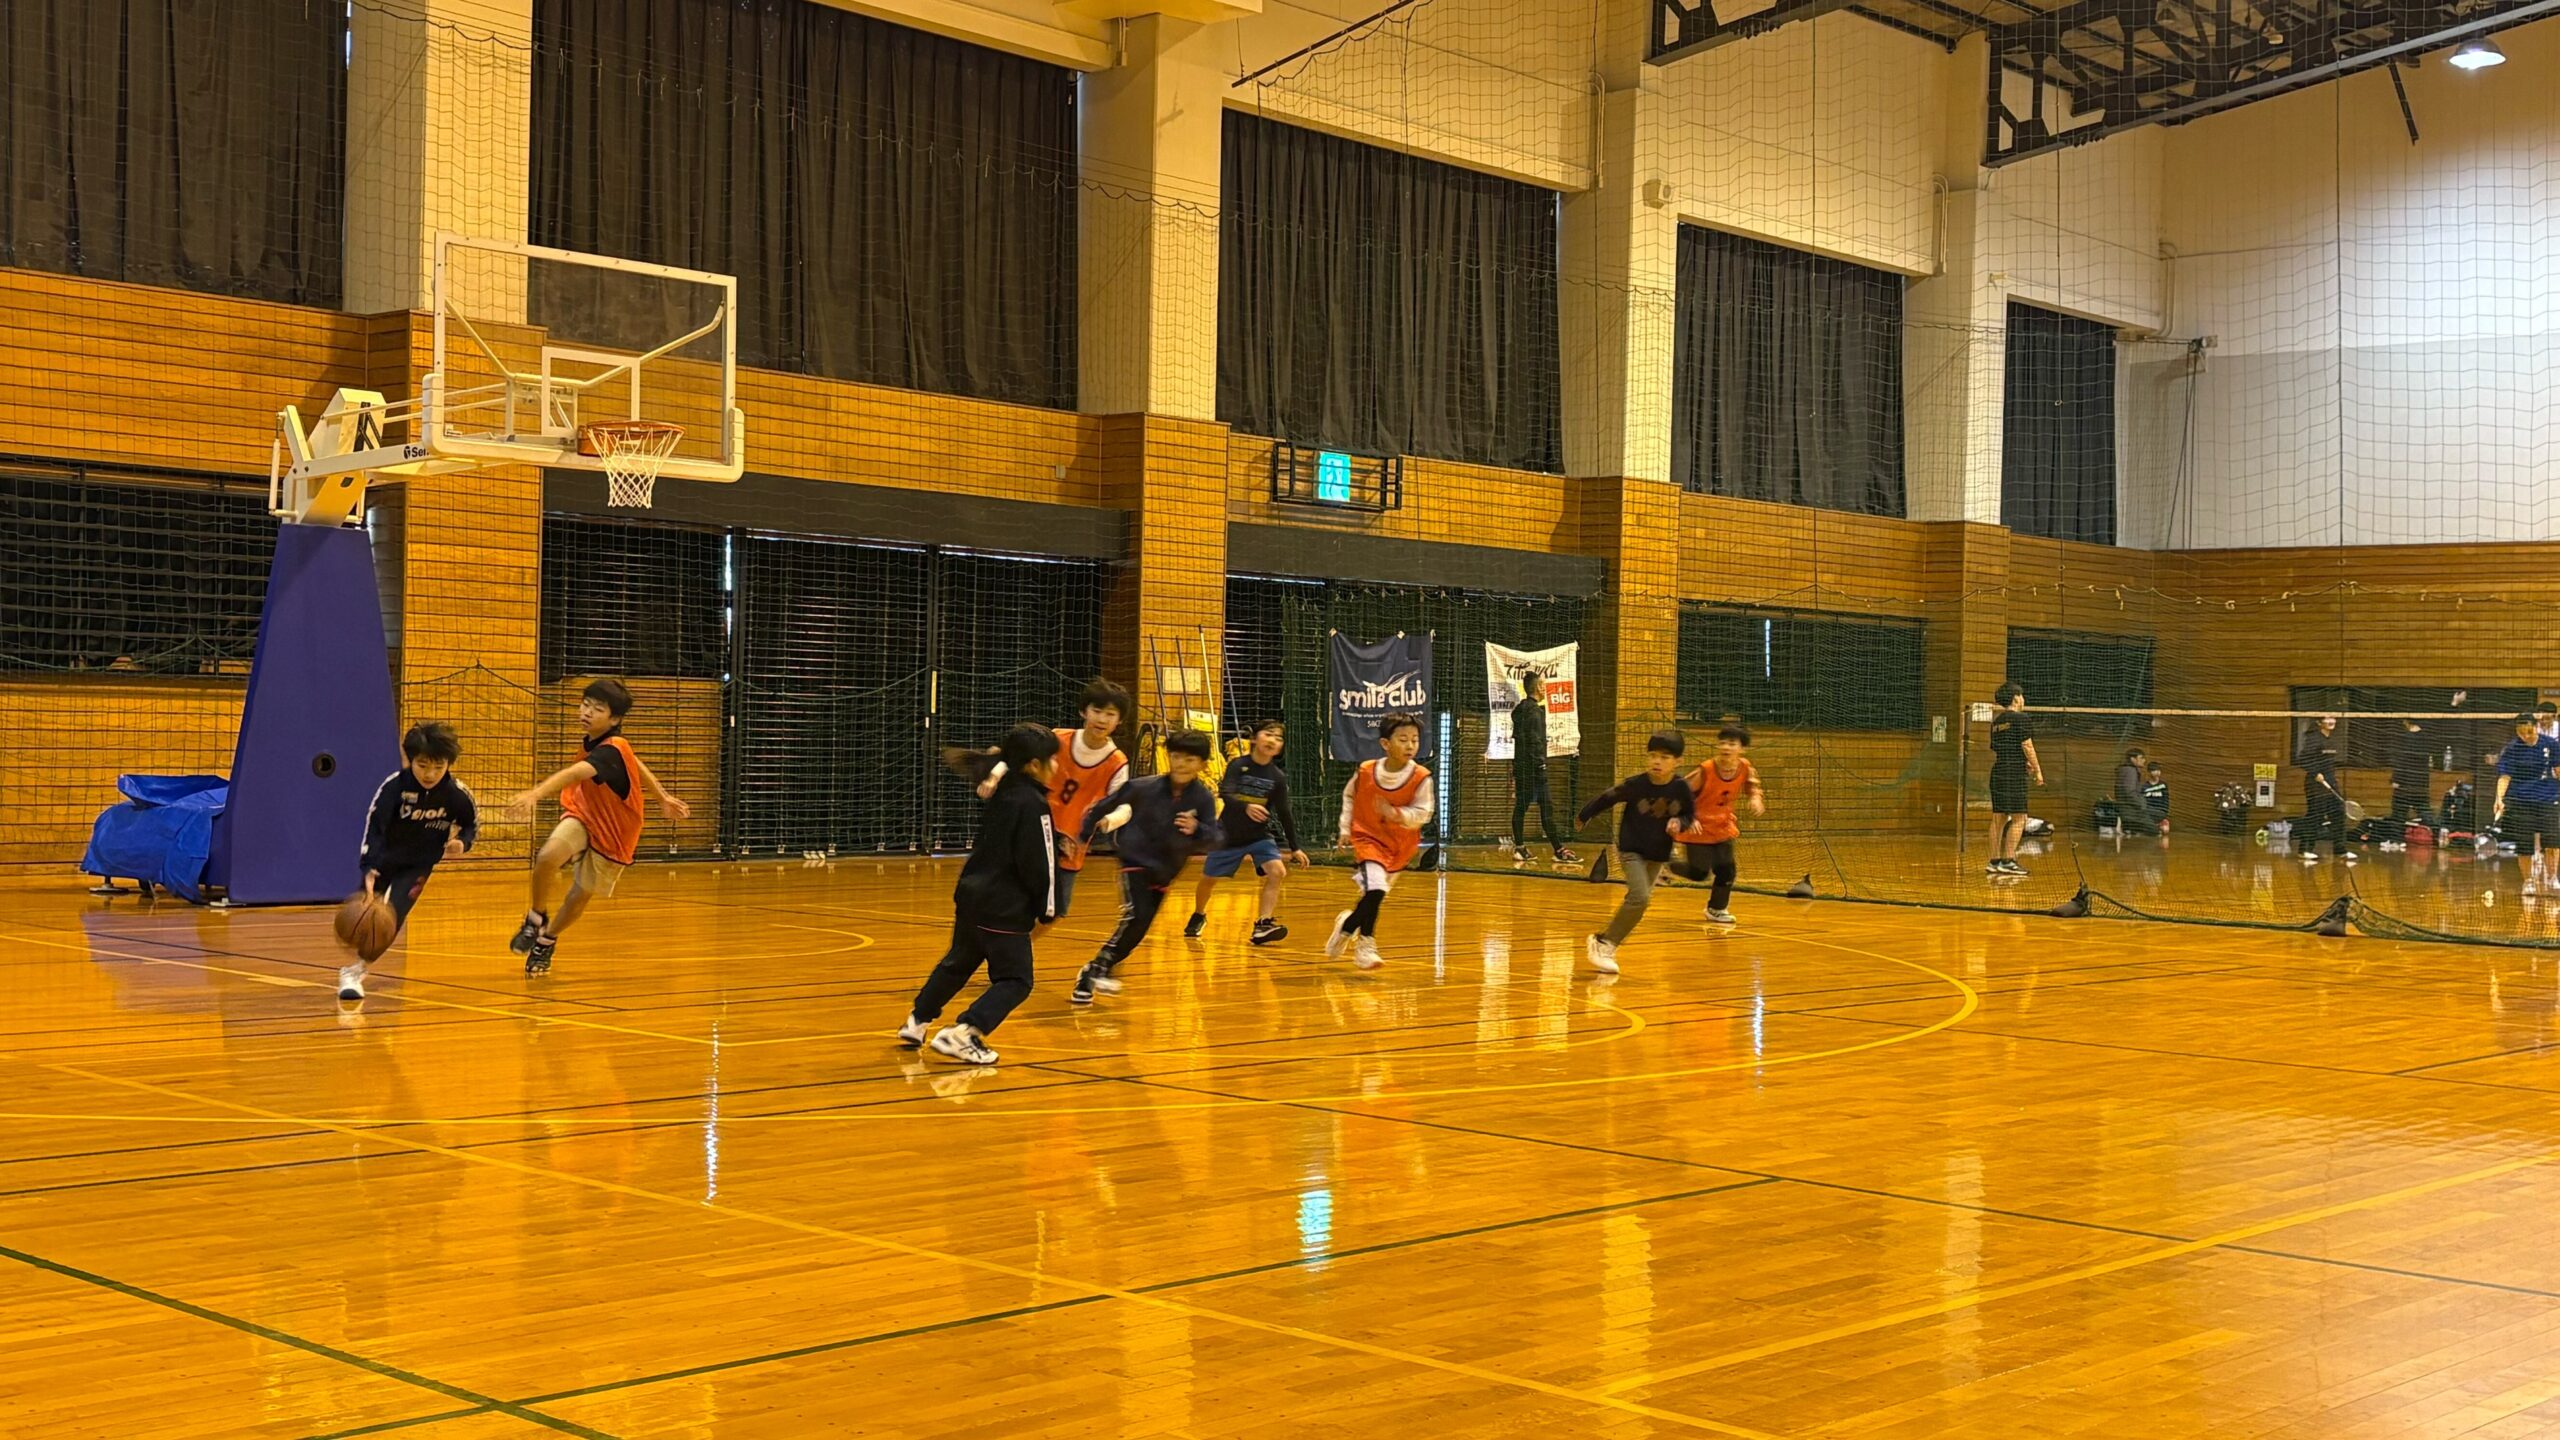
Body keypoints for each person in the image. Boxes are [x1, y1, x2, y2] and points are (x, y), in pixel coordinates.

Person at [503, 679, 691, 974]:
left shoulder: (612, 749)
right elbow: (636, 762)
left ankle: (546, 941)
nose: (587, 712)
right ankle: (535, 918)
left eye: (598, 709)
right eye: (585, 704)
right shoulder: (603, 742)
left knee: (578, 895)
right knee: (547, 857)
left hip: (616, 833)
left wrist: (535, 794)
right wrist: (662, 796)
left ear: (614, 719)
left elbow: (576, 772)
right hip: (586, 815)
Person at [899, 725, 1063, 1065]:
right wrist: (1050, 908)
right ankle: (964, 1032)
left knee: (958, 963)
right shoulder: (1034, 804)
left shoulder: (1003, 788)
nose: (1057, 766)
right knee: (1016, 980)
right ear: (1034, 765)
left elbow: (999, 762)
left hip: (972, 896)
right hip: (1005, 908)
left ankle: (917, 1021)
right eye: (1053, 759)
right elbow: (1040, 863)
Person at [1072, 730, 1222, 1004]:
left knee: (1138, 930)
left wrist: (1198, 828)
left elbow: (1215, 838)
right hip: (1134, 862)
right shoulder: (1143, 787)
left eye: (1189, 759)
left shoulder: (1202, 799)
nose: (1181, 764)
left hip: (1167, 871)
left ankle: (1093, 970)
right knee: (1136, 915)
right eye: (1176, 756)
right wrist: (1084, 834)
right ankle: (1101, 968)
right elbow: (1103, 806)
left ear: (1202, 764)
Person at [342, 722, 478, 1001]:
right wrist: (369, 866)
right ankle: (356, 954)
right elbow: (375, 826)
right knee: (364, 915)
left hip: (419, 865)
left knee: (392, 918)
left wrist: (462, 843)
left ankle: (355, 972)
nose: (430, 774)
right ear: (410, 759)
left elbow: (471, 825)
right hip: (384, 860)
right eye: (422, 765)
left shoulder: (457, 795)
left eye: (438, 767)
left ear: (449, 764)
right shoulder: (394, 787)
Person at [978, 679, 1131, 921]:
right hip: (1031, 833)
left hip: (1069, 845)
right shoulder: (1057, 738)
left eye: (1110, 714)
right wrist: (994, 777)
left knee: (1055, 912)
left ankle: (1019, 940)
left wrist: (1109, 820)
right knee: (1013, 898)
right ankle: (1006, 938)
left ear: (1119, 720)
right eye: (1097, 711)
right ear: (1083, 711)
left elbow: (1125, 806)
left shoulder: (1117, 762)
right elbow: (1017, 758)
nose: (1102, 719)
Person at [1574, 731, 1697, 975]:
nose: (1657, 761)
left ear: (1678, 761)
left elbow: (1689, 814)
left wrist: (1680, 823)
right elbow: (1607, 797)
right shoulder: (1636, 785)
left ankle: (1606, 942)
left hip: (1658, 853)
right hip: (1631, 849)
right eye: (1653, 755)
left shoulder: (1681, 788)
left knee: (1640, 903)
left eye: (1664, 757)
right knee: (1640, 897)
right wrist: (1584, 815)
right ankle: (1604, 943)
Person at [1326, 712, 1434, 972]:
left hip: (1399, 845)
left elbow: (1424, 813)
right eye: (1403, 740)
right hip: (1368, 838)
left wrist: (1396, 814)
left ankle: (1347, 926)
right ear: (1386, 743)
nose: (1410, 745)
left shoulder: (1421, 777)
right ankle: (1366, 945)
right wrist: (1345, 828)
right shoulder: (1366, 770)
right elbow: (1349, 796)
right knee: (1375, 889)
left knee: (1374, 896)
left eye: (1414, 740)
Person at [1184, 719, 1308, 945]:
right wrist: (1246, 806)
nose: (1273, 740)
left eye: (1279, 738)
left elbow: (1284, 812)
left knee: (1277, 871)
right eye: (1268, 734)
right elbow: (1226, 792)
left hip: (1258, 836)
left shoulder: (1277, 777)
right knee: (1208, 879)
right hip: (1228, 835)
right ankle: (1199, 914)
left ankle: (1263, 924)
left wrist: (1295, 847)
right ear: (1254, 739)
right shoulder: (1238, 765)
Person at [1668, 724, 1765, 926]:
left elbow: (1752, 784)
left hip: (1723, 826)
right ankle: (1667, 864)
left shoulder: (1745, 767)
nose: (1726, 747)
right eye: (1722, 743)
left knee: (1727, 870)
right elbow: (1680, 793)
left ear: (1742, 748)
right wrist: (1687, 816)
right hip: (1698, 827)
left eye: (1732, 743)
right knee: (1699, 873)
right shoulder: (1706, 770)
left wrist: (1755, 798)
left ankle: (1717, 909)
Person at [1505, 673, 1577, 865]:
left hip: (1522, 768)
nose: (1545, 688)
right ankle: (1558, 850)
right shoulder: (1535, 712)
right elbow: (1535, 741)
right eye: (1543, 684)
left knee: (1522, 807)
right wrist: (1540, 765)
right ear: (1538, 688)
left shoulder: (1520, 711)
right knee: (1546, 808)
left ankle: (1522, 847)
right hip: (1534, 770)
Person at [2493, 714, 2560, 895]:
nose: (2526, 736)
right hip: (2521, 800)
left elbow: (2558, 770)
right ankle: (2528, 881)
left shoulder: (2551, 744)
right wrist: (2499, 799)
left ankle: (2552, 878)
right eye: (2521, 733)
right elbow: (2505, 777)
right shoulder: (2512, 749)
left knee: (2553, 842)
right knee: (2524, 844)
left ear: (2536, 727)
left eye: (2529, 732)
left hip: (2548, 798)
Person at [1986, 683, 2043, 877]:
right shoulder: (2021, 718)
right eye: (2021, 696)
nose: (2023, 699)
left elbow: (2001, 748)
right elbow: (2027, 745)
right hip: (2014, 773)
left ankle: (1994, 862)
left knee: (1998, 818)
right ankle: (2009, 861)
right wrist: (2037, 771)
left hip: (1998, 771)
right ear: (2016, 698)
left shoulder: (1996, 722)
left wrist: (2021, 761)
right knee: (2020, 818)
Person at [2294, 714, 2350, 865]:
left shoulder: (2331, 739)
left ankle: (2340, 850)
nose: (2331, 721)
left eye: (2333, 718)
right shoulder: (2314, 738)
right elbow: (2302, 759)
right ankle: (2305, 850)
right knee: (2315, 815)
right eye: (2327, 719)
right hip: (2315, 783)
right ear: (2319, 722)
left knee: (2338, 813)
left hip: (2330, 781)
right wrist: (2315, 773)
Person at [2114, 747, 2155, 834]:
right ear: (2133, 759)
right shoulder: (2130, 771)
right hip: (2132, 810)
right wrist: (2141, 803)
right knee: (2153, 831)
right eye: (2141, 758)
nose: (2144, 760)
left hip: (2127, 809)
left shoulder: (2125, 770)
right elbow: (2129, 791)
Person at [2142, 762, 2170, 835]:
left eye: (2158, 770)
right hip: (2149, 813)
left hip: (2160, 812)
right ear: (2149, 772)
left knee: (2165, 830)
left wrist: (2165, 814)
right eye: (2154, 770)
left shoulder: (2163, 785)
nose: (2157, 772)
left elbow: (2166, 800)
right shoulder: (2144, 786)